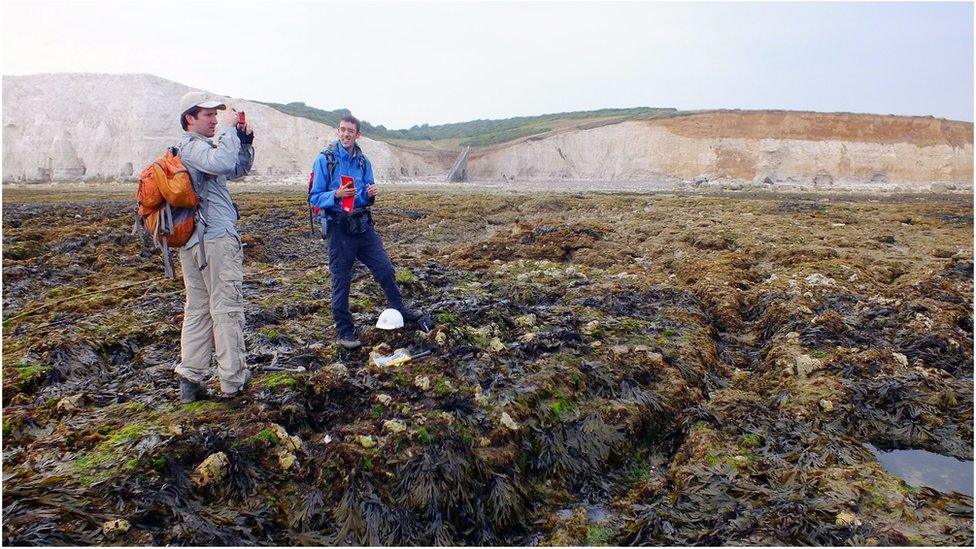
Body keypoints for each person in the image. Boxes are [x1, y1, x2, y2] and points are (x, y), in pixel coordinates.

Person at [309, 115, 431, 349]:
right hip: (338, 227)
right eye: (343, 130)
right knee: (341, 280)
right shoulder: (325, 160)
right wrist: (336, 195)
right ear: (338, 131)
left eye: (350, 131)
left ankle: (399, 310)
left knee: (384, 268)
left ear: (358, 134)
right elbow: (314, 196)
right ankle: (345, 331)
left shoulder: (363, 162)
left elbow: (364, 196)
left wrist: (370, 193)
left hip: (362, 225)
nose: (346, 134)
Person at [173, 91, 255, 402]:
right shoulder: (193, 147)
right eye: (207, 115)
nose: (214, 119)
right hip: (214, 241)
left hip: (194, 241)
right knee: (226, 307)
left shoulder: (196, 151)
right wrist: (228, 130)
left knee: (198, 308)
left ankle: (191, 378)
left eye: (216, 115)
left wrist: (243, 142)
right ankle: (233, 380)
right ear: (189, 119)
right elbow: (222, 161)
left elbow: (235, 167)